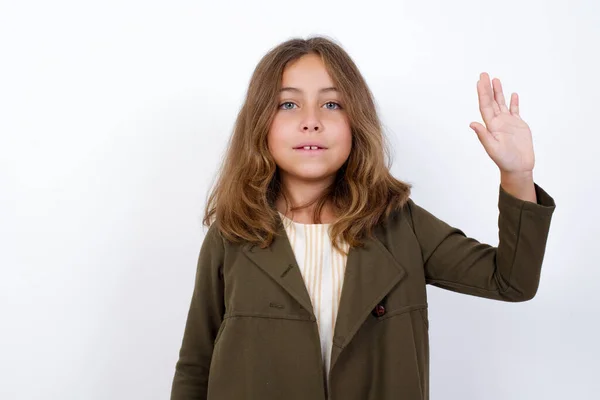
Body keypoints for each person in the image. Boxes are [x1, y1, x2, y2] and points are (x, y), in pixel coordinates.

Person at [169, 35, 556, 400]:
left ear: (357, 122)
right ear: (260, 125)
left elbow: (511, 281)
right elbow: (195, 365)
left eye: (332, 104)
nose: (311, 120)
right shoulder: (233, 234)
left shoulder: (401, 224)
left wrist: (517, 175)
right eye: (288, 104)